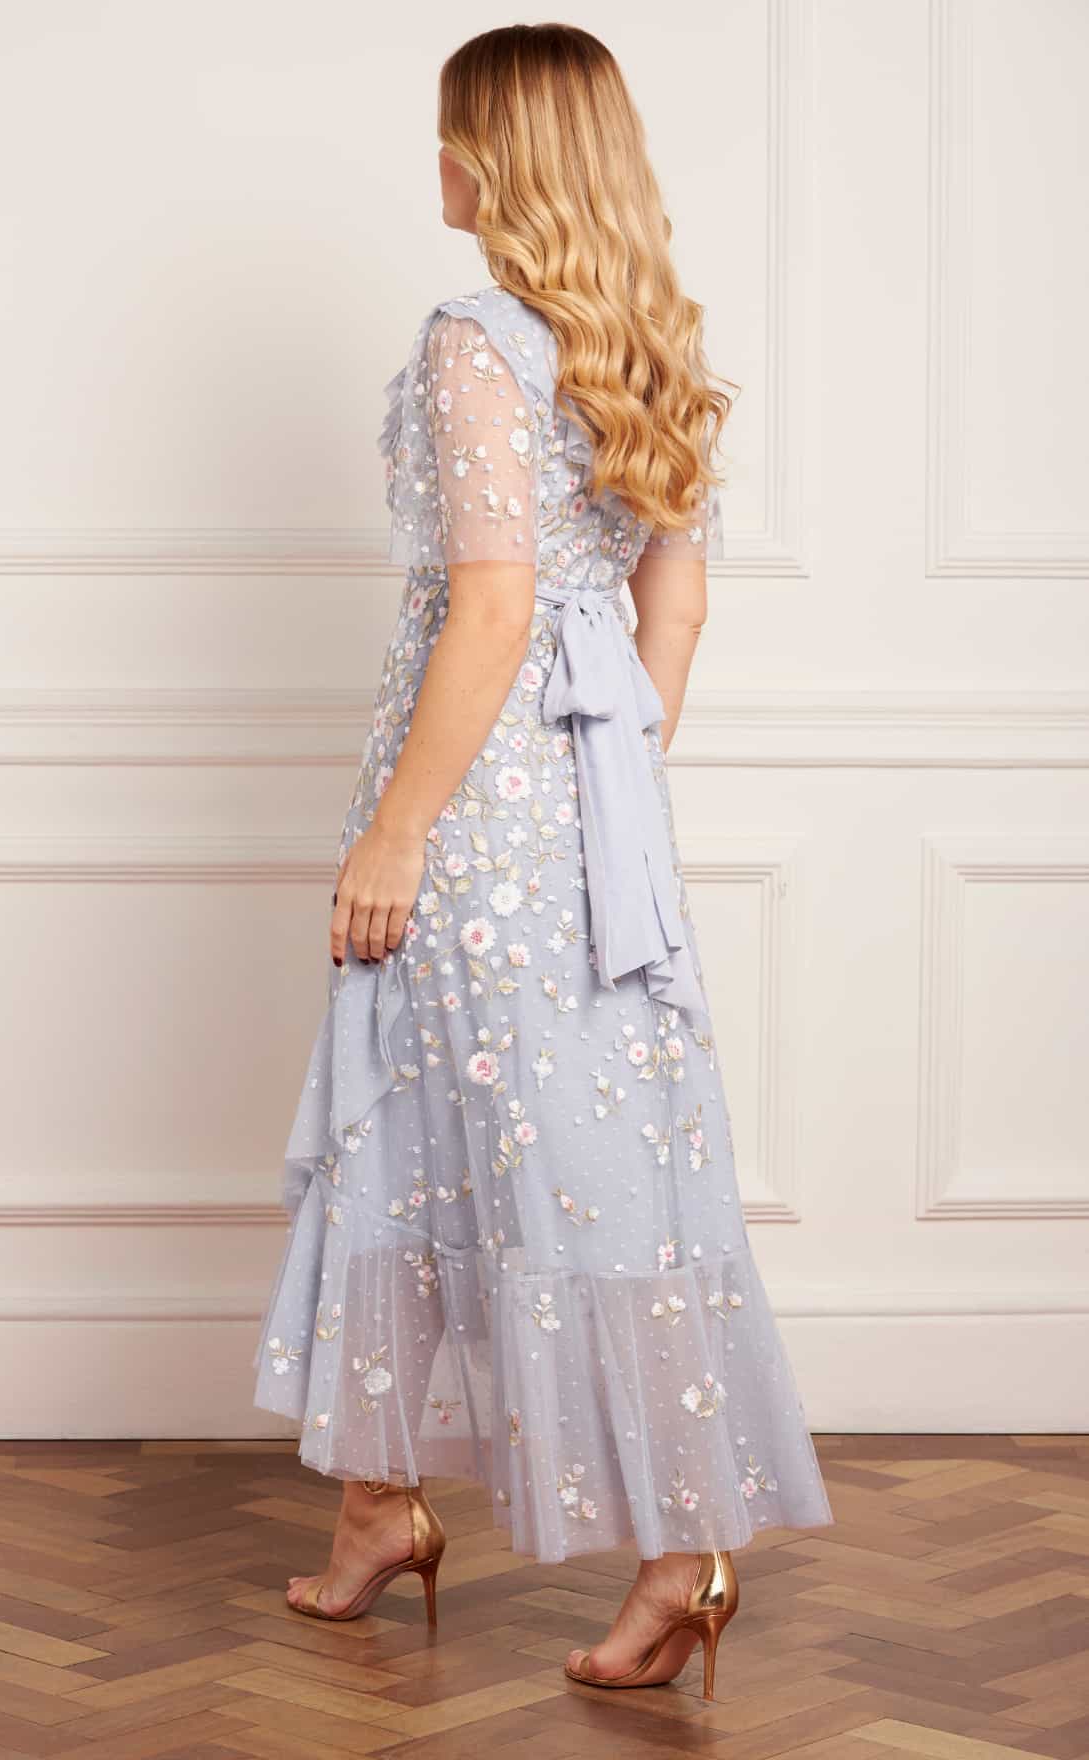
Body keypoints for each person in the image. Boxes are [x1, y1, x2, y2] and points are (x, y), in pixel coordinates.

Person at [253, 21, 834, 1694]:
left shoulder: (475, 339)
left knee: (438, 1128)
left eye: (452, 135)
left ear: (497, 161)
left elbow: (496, 606)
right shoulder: (648, 342)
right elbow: (678, 605)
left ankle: (671, 1551)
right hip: (592, 810)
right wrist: (613, 783)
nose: (434, 162)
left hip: (469, 800)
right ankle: (387, 1507)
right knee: (585, 1151)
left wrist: (402, 826)